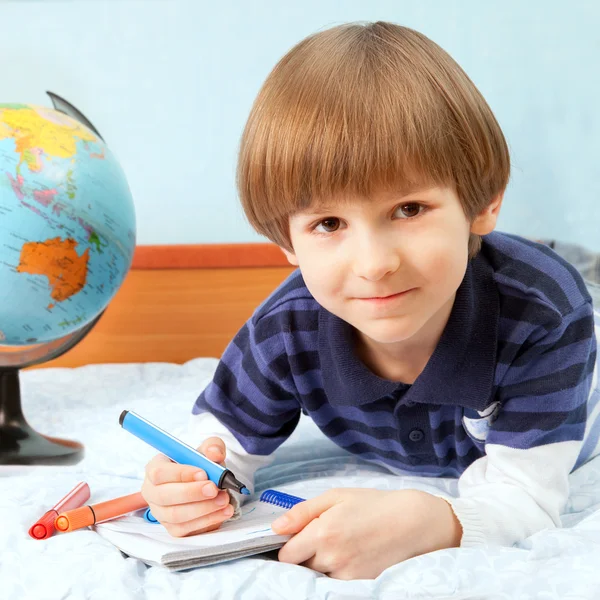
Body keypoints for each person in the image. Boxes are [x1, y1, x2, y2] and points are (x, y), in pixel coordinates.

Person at [141, 21, 598, 580]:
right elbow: (216, 445)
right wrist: (189, 487)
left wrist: (428, 522)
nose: (374, 263)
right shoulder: (287, 329)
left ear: (484, 202)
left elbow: (526, 498)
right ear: (287, 241)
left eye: (408, 209)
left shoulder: (544, 313)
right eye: (329, 223)